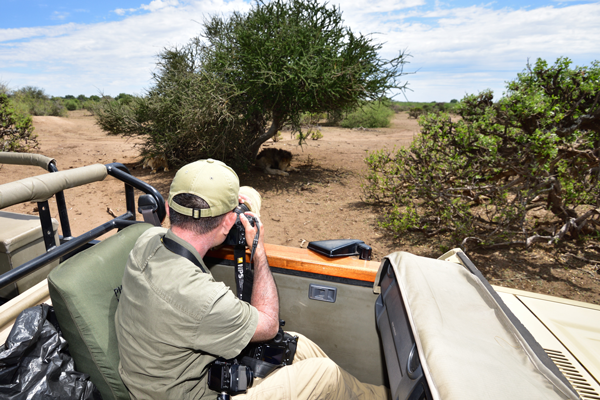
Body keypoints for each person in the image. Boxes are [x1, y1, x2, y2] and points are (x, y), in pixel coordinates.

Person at [115, 159, 389, 400]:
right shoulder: (204, 299)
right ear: (227, 224)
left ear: (167, 205)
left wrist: (236, 208)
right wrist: (258, 251)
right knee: (324, 375)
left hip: (160, 379)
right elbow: (268, 325)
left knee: (296, 345)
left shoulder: (147, 240)